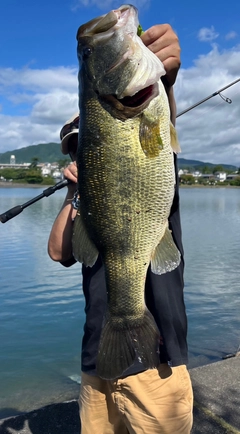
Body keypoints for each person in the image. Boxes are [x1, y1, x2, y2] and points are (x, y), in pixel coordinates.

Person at [48, 23, 193, 434]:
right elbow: (60, 253)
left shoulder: (148, 153)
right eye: (77, 146)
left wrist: (167, 82)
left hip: (157, 362)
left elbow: (153, 135)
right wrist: (73, 194)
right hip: (97, 360)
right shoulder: (83, 202)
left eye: (85, 140)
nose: (82, 149)